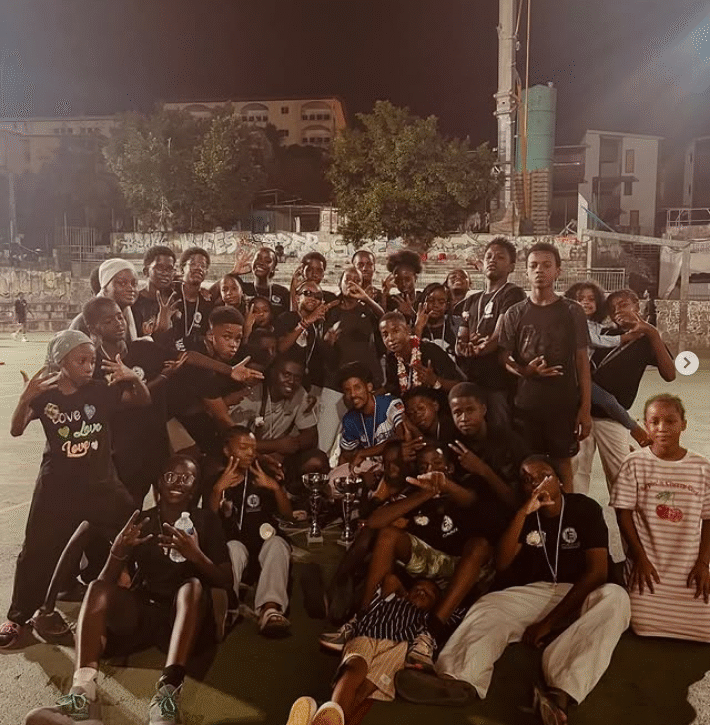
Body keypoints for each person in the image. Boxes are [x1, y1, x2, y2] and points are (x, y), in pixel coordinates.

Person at [397, 455, 631, 725]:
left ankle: (559, 696)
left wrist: (548, 623)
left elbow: (597, 572)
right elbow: (502, 562)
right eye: (527, 480)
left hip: (582, 592)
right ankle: (458, 680)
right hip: (540, 592)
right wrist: (522, 513)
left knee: (616, 598)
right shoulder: (525, 515)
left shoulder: (584, 508)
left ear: (559, 480)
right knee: (489, 605)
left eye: (543, 475)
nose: (536, 483)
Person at [24, 454, 232, 725]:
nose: (177, 482)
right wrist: (118, 552)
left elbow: (225, 580)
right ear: (159, 483)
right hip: (145, 610)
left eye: (186, 478)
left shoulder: (206, 521)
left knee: (191, 587)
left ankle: (166, 698)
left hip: (185, 618)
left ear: (195, 487)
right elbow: (103, 587)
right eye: (171, 476)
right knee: (96, 587)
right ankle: (83, 697)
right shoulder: (143, 521)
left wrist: (196, 555)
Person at [0, 330, 150, 649]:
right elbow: (16, 430)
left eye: (92, 360)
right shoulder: (46, 394)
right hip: (58, 488)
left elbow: (142, 400)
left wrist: (132, 378)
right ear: (61, 363)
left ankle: (142, 593)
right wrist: (26, 397)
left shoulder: (100, 391)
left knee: (137, 530)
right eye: (81, 360)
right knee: (37, 550)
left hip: (102, 484)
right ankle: (19, 616)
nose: (89, 366)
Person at [327, 445, 496, 671]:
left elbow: (470, 500)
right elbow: (375, 522)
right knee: (388, 534)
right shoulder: (415, 491)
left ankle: (428, 636)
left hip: (461, 562)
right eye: (424, 466)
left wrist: (445, 485)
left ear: (450, 467)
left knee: (480, 546)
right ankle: (362, 619)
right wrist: (424, 494)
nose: (430, 470)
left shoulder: (467, 485)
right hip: (429, 558)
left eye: (436, 464)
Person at [611, 394, 710, 642]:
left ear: (683, 424)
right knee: (643, 624)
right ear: (646, 425)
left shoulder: (702, 467)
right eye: (654, 422)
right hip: (649, 565)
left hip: (688, 565)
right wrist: (639, 557)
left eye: (670, 421)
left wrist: (702, 563)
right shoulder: (634, 463)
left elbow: (709, 519)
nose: (662, 428)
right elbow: (623, 513)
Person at [498, 242, 591, 491]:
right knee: (528, 466)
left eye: (547, 265)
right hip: (526, 406)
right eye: (534, 265)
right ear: (526, 272)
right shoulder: (515, 313)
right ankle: (531, 513)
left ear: (558, 271)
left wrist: (585, 409)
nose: (540, 270)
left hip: (562, 405)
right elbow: (504, 358)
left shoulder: (572, 311)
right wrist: (526, 371)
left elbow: (582, 361)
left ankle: (566, 511)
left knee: (562, 465)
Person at [288, 578, 445, 725]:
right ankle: (330, 719)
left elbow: (422, 649)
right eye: (418, 588)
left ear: (434, 605)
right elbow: (390, 579)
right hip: (366, 636)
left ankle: (328, 718)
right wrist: (402, 592)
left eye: (429, 594)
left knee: (365, 691)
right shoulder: (392, 599)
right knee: (353, 670)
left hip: (396, 647)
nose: (422, 592)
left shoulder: (426, 620)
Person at [572, 288, 676, 495]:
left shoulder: (647, 341)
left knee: (621, 478)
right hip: (582, 414)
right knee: (577, 473)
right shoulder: (605, 334)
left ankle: (626, 515)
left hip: (614, 420)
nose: (617, 311)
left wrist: (651, 332)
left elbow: (670, 374)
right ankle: (577, 512)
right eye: (612, 309)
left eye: (622, 305)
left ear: (637, 306)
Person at [208, 426, 294, 636]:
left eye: (253, 449)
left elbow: (288, 515)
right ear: (227, 450)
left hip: (263, 545)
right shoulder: (215, 480)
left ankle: (270, 609)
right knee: (233, 548)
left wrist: (275, 487)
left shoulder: (262, 476)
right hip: (234, 550)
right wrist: (217, 490)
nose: (250, 453)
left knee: (277, 544)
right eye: (243, 447)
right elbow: (207, 520)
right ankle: (228, 606)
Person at [565, 281, 651, 447]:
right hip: (572, 376)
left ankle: (621, 442)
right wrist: (626, 337)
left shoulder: (595, 325)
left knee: (605, 401)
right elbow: (595, 340)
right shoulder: (573, 323)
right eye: (580, 299)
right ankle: (635, 429)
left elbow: (604, 330)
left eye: (591, 299)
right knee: (608, 401)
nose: (585, 302)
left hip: (582, 375)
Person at [456, 237, 526, 429]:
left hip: (498, 384)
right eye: (488, 256)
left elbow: (499, 336)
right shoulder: (472, 300)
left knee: (499, 431)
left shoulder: (512, 293)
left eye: (500, 257)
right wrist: (463, 347)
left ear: (511, 267)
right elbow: (461, 337)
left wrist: (478, 348)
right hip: (471, 380)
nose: (492, 260)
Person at [319, 267, 384, 455]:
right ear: (340, 283)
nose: (352, 283)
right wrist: (328, 343)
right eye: (348, 279)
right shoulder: (330, 311)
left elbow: (385, 318)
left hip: (365, 386)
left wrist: (367, 298)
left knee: (367, 443)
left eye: (357, 280)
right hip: (334, 384)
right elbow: (320, 351)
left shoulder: (368, 309)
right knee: (324, 442)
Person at [337, 361, 406, 473]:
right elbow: (345, 456)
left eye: (357, 388)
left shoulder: (390, 404)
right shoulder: (350, 419)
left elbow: (401, 436)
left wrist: (363, 453)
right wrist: (340, 475)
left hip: (397, 467)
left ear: (369, 387)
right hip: (371, 470)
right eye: (347, 391)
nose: (353, 395)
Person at [379, 311, 464, 397]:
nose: (390, 338)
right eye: (385, 335)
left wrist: (434, 381)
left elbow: (461, 385)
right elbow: (392, 388)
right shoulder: (391, 359)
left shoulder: (430, 350)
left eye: (396, 331)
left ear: (408, 330)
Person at [273, 280, 330, 390]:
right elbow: (280, 348)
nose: (313, 298)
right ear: (297, 298)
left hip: (302, 384)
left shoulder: (314, 327)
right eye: (307, 293)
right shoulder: (286, 318)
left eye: (318, 296)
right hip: (282, 382)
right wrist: (305, 323)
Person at [70, 258, 140, 340]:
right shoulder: (84, 321)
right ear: (105, 287)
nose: (131, 288)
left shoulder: (134, 316)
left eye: (134, 284)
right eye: (122, 283)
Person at [170, 247, 214, 352]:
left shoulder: (206, 302)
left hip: (193, 356)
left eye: (203, 266)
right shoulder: (171, 292)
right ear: (182, 269)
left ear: (206, 272)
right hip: (168, 353)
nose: (198, 268)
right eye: (193, 264)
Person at [131, 245, 177, 336]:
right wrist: (161, 328)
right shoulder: (134, 302)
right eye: (159, 268)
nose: (165, 273)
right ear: (146, 271)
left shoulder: (175, 298)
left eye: (169, 269)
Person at [414, 283, 463, 361]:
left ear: (447, 306)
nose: (435, 305)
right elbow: (412, 356)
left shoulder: (457, 324)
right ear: (423, 303)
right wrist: (418, 328)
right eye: (430, 300)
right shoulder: (414, 325)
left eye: (441, 302)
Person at [239, 247, 290, 318]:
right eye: (258, 258)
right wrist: (235, 272)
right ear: (252, 263)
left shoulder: (282, 292)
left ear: (273, 268)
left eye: (267, 261)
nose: (261, 262)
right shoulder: (242, 288)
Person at [383, 249, 422, 323]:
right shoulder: (393, 300)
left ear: (415, 278)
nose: (403, 284)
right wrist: (384, 295)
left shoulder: (423, 299)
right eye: (399, 280)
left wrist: (411, 313)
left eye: (407, 279)